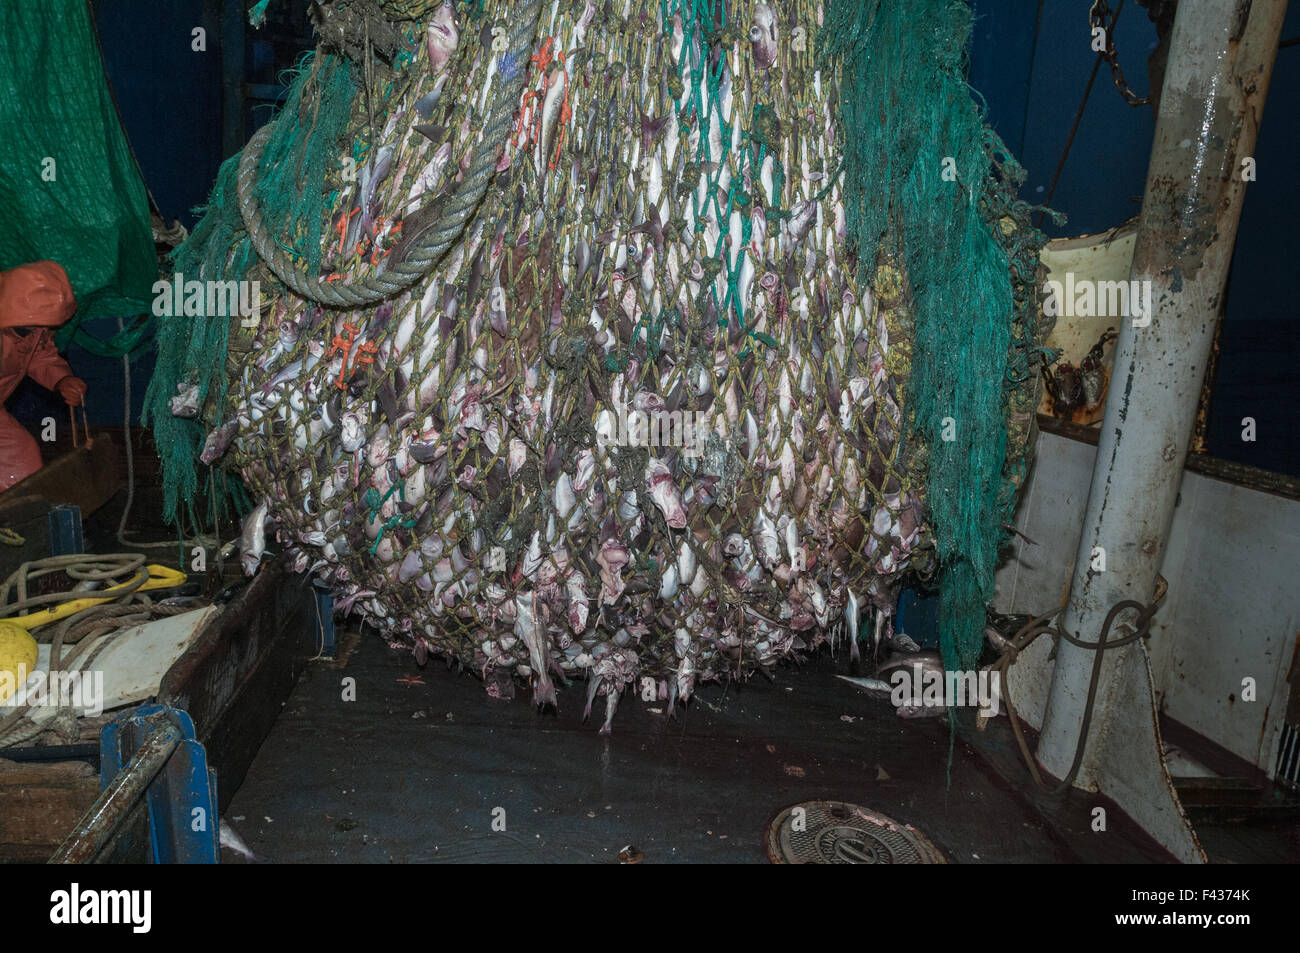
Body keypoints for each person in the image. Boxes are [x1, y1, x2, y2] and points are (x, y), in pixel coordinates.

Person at [0, 261, 85, 491]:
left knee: (22, 460)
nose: (41, 332)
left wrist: (61, 380)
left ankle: (20, 522)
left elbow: (39, 354)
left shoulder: (30, 328)